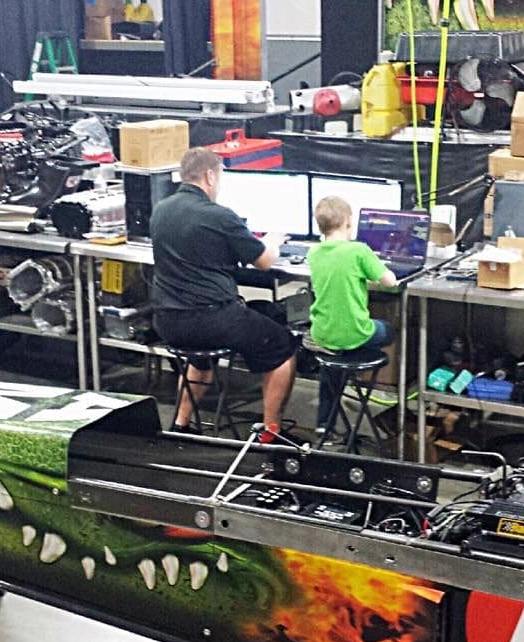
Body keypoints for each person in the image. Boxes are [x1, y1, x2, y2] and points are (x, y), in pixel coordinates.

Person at [150, 147, 296, 442]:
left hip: (168, 323)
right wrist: (273, 241)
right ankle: (270, 433)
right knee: (283, 347)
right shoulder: (219, 216)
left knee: (199, 358)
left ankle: (180, 424)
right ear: (210, 176)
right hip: (214, 321)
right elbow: (265, 261)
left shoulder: (161, 209)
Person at [307, 196, 397, 437]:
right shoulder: (359, 250)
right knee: (388, 330)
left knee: (332, 365)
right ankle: (397, 399)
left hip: (322, 334)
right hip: (356, 333)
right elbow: (390, 282)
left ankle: (324, 426)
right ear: (348, 222)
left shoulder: (313, 253)